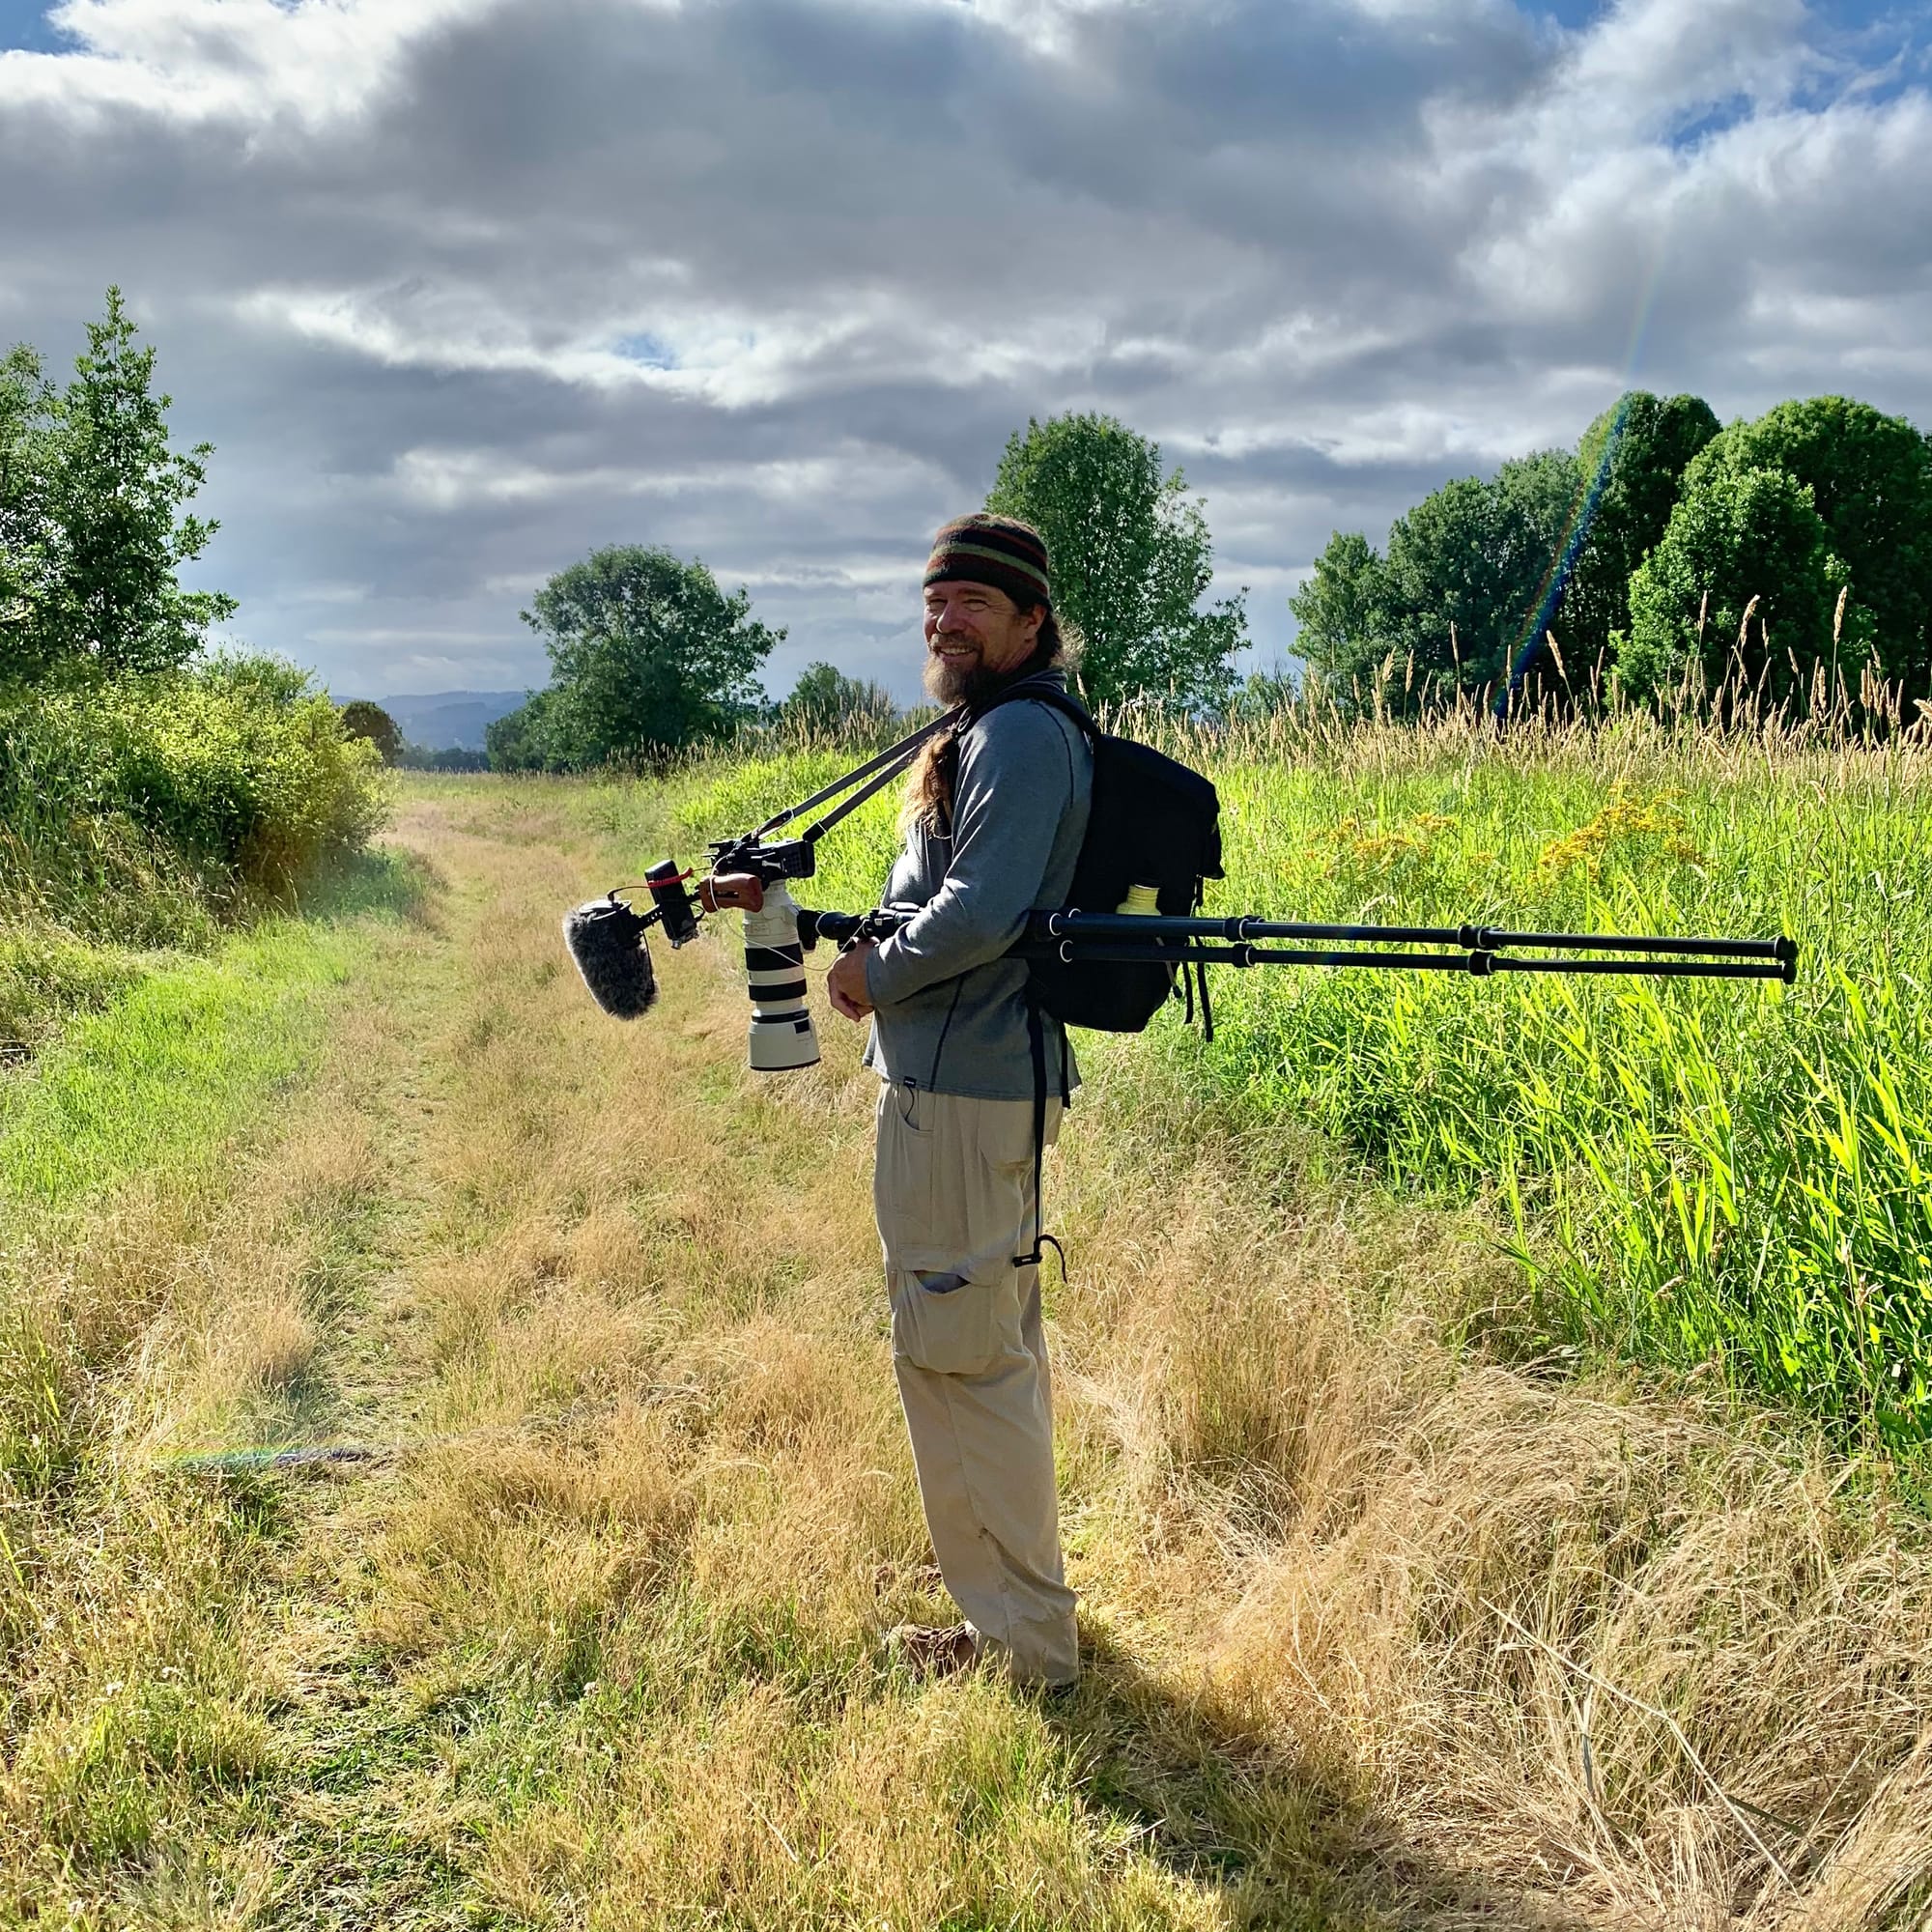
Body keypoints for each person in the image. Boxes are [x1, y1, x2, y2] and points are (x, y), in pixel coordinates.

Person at [816, 512, 1094, 1690]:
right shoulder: (986, 726)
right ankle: (1011, 1619)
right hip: (960, 1091)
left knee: (961, 1358)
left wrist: (867, 975)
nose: (945, 622)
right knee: (973, 1350)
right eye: (934, 604)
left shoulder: (1022, 736)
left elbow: (979, 912)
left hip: (965, 1093)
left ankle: (1023, 1644)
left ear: (1031, 620)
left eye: (973, 604)